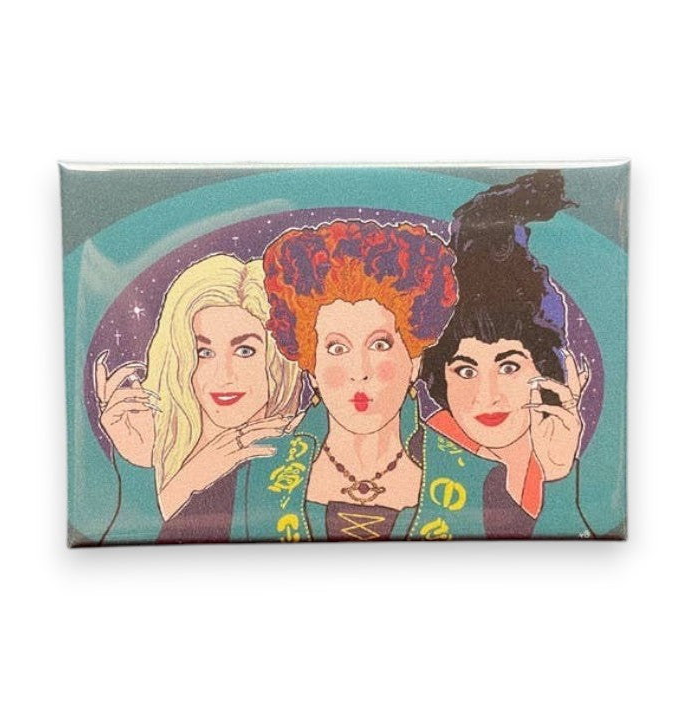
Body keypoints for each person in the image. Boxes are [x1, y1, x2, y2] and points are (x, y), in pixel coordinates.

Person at [227, 218, 503, 542]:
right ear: (312, 369)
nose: (359, 370)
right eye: (337, 348)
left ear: (414, 361)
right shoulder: (254, 472)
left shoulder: (479, 479)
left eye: (379, 345)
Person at [420, 170, 593, 537]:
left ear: (545, 368)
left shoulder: (556, 452)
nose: (488, 396)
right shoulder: (418, 452)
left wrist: (558, 476)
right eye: (466, 371)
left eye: (509, 366)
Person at [93, 253, 302, 542]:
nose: (223, 375)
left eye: (245, 351)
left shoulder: (302, 452)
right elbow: (121, 551)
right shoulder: (156, 452)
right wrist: (141, 468)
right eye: (203, 352)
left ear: (279, 359)